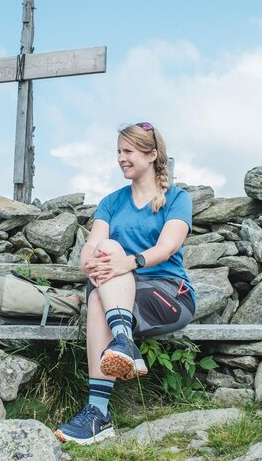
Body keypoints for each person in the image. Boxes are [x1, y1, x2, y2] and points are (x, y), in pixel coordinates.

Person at [54, 122, 196, 444]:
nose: (121, 158)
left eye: (128, 151)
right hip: (119, 298)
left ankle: (99, 410)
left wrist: (126, 263)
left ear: (152, 155)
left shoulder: (177, 198)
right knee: (104, 257)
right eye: (118, 152)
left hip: (168, 294)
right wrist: (87, 262)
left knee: (102, 288)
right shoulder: (112, 202)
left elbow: (168, 247)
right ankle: (121, 347)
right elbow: (94, 244)